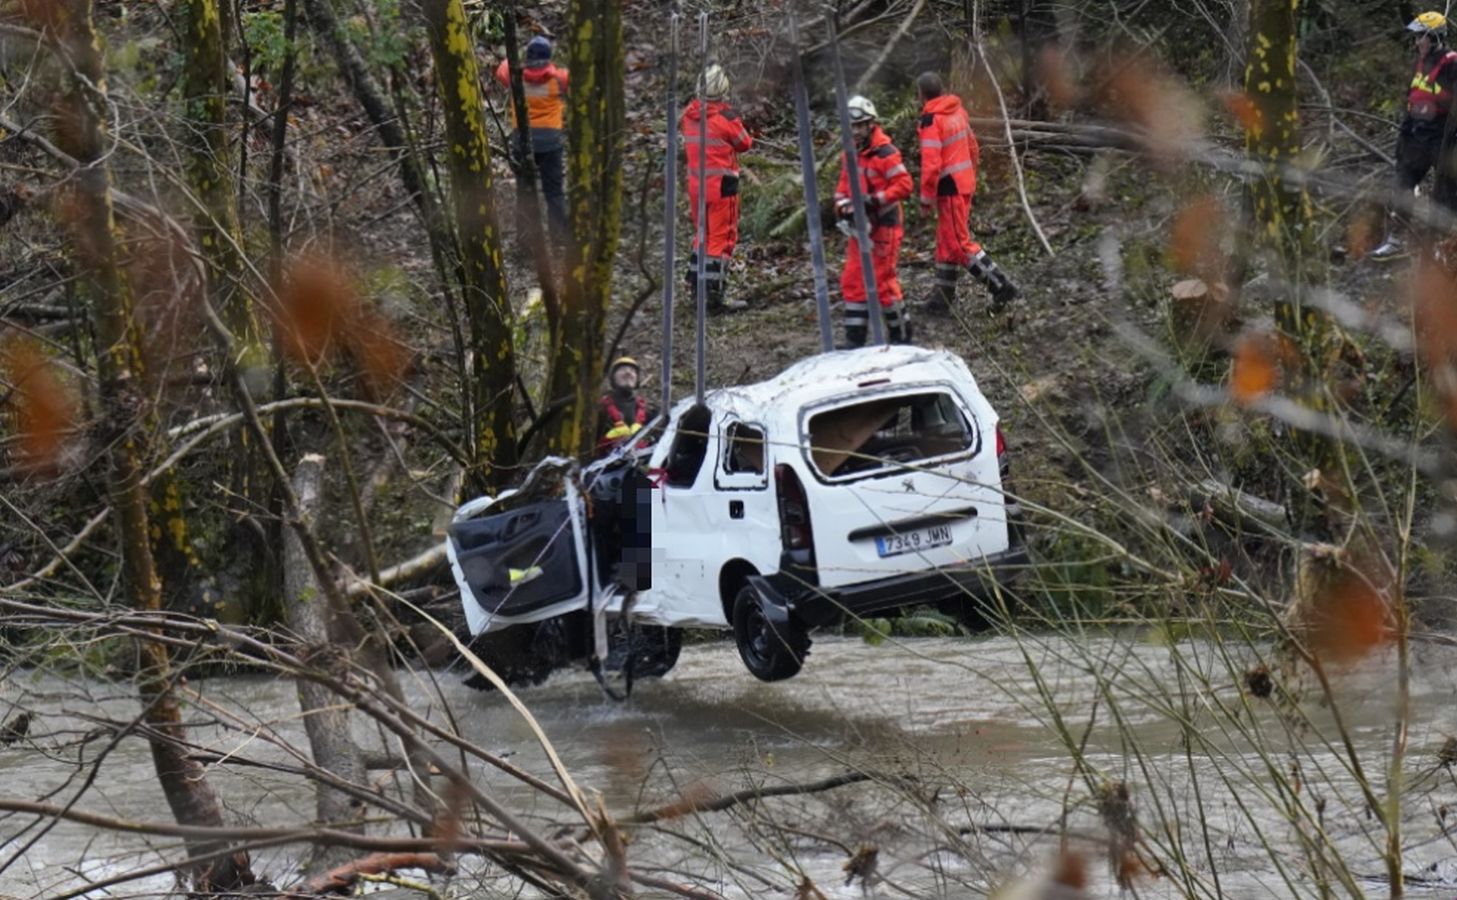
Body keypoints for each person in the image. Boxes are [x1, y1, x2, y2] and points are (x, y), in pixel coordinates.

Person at [915, 71, 1020, 309]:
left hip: (950, 188)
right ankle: (942, 300)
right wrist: (969, 178)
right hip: (962, 184)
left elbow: (931, 166)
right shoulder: (957, 112)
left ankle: (1002, 287)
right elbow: (973, 147)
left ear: (920, 94)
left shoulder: (931, 121)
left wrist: (925, 200)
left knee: (959, 244)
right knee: (947, 242)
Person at [1372, 13, 1457, 260]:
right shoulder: (1421, 62)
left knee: (1444, 196)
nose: (1417, 42)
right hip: (1416, 135)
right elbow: (1411, 97)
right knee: (1402, 185)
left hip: (1442, 139)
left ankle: (1439, 247)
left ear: (1435, 38)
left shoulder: (1452, 64)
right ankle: (1396, 240)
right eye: (1416, 37)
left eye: (1421, 37)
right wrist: (1404, 136)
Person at [835, 95, 914, 346]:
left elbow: (904, 185)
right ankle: (854, 342)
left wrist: (874, 200)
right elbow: (841, 190)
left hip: (884, 226)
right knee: (852, 279)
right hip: (860, 228)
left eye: (860, 126)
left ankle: (902, 338)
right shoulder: (850, 154)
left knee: (883, 283)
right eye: (852, 126)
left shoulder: (885, 153)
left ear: (871, 124)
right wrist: (845, 209)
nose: (855, 131)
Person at [680, 64, 752, 311]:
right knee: (721, 239)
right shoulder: (725, 118)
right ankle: (712, 297)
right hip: (722, 187)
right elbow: (745, 143)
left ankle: (695, 288)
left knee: (702, 235)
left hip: (696, 188)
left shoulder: (688, 116)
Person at [495, 36, 569, 243]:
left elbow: (501, 69)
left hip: (522, 141)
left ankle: (526, 239)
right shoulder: (559, 79)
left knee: (524, 192)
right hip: (550, 143)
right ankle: (559, 237)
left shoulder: (515, 78)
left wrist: (515, 59)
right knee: (554, 192)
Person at [596, 357, 654, 457]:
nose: (628, 373)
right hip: (604, 463)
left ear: (637, 379)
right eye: (622, 369)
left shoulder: (649, 410)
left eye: (632, 371)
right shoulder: (599, 408)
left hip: (641, 462)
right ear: (613, 378)